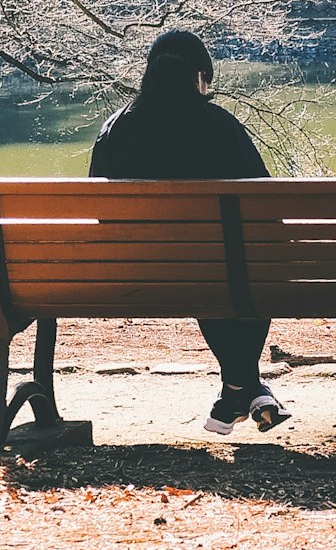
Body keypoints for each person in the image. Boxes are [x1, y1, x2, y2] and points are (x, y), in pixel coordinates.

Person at [90, 29, 290, 436]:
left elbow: (100, 211)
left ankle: (238, 393)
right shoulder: (220, 126)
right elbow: (265, 204)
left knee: (205, 270)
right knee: (238, 268)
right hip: (224, 269)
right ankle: (242, 388)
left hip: (138, 274)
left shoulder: (118, 129)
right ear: (200, 77)